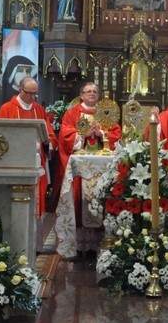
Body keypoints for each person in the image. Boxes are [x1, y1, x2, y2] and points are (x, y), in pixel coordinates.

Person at [57, 82, 122, 256]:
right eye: (88, 91)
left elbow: (117, 134)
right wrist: (82, 136)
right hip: (82, 167)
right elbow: (65, 136)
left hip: (103, 165)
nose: (92, 94)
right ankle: (80, 245)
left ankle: (102, 242)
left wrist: (102, 134)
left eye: (95, 92)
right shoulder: (72, 113)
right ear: (81, 95)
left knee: (103, 198)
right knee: (80, 199)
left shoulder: (105, 112)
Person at [0, 77, 58, 218]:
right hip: (14, 162)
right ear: (20, 89)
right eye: (29, 93)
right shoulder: (7, 108)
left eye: (35, 93)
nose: (32, 97)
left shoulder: (39, 110)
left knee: (35, 206)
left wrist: (46, 142)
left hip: (36, 161)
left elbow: (50, 136)